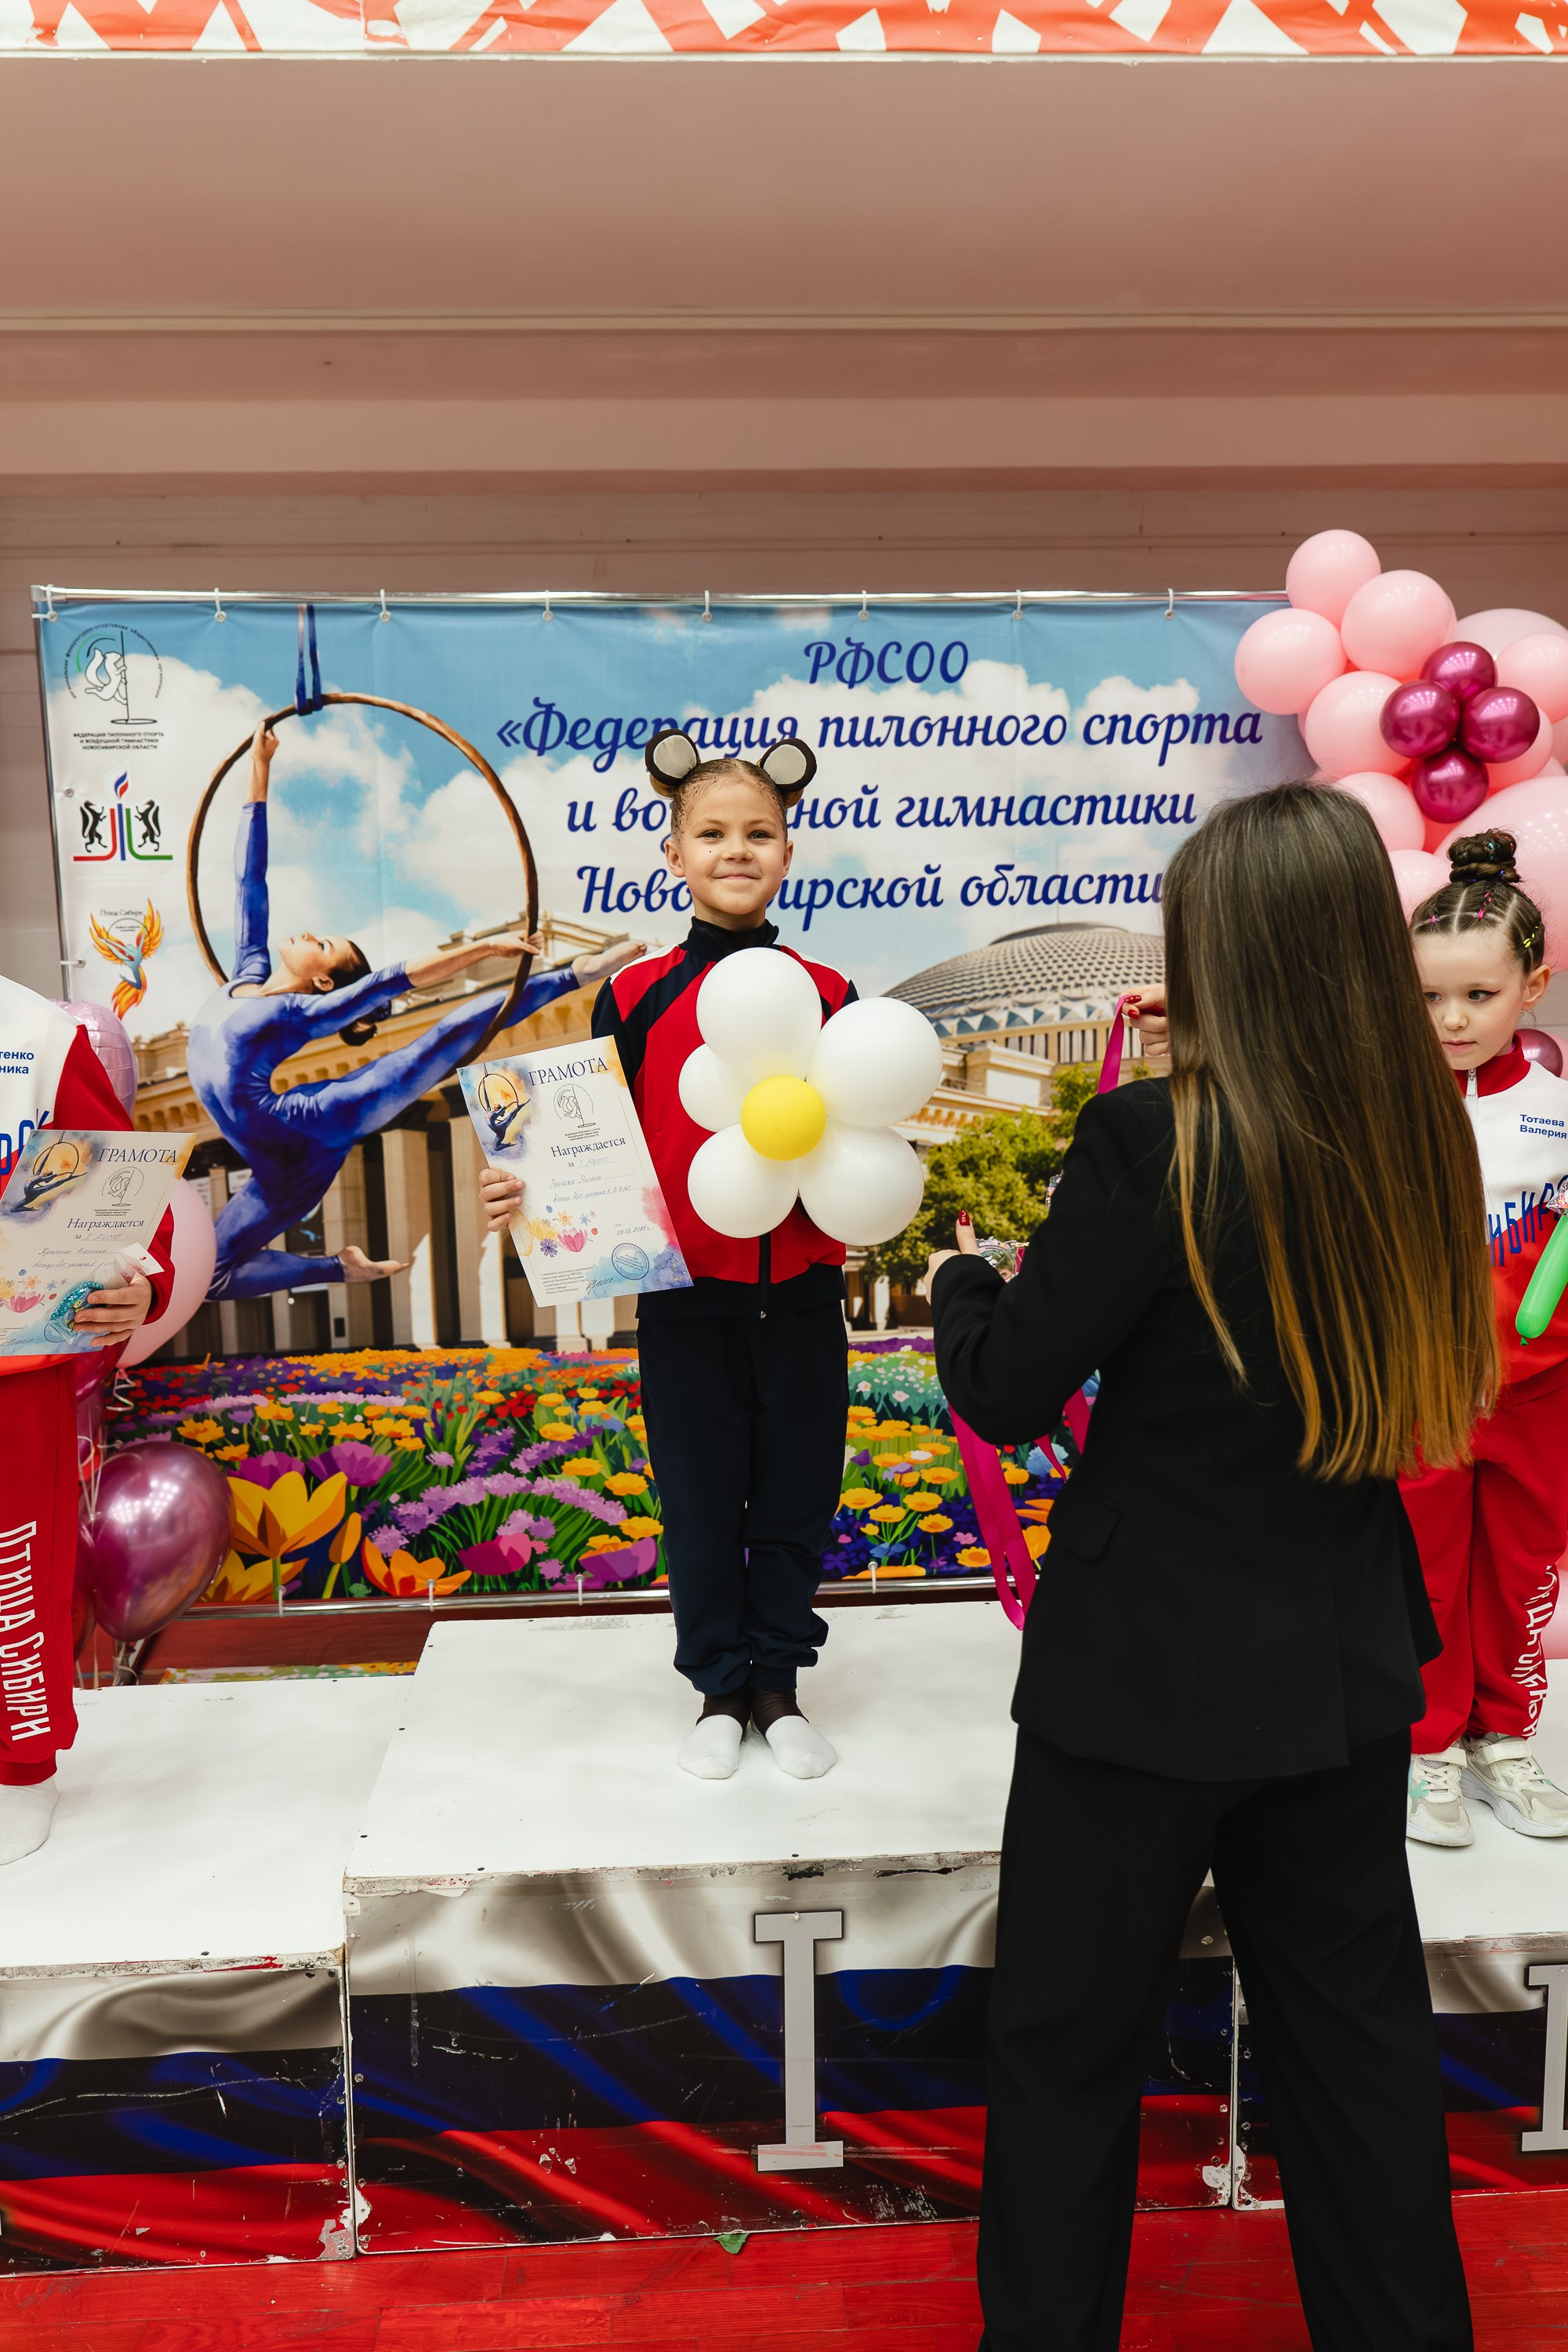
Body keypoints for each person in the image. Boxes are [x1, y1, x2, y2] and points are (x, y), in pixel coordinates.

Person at [929, 784, 1486, 2352]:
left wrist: (964, 1277)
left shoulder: (1146, 1139)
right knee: (1359, 2061)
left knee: (1064, 2054)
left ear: (1227, 955)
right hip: (1337, 1672)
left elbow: (1007, 1390)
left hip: (1138, 1694)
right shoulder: (1413, 1135)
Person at [481, 729, 855, 1784]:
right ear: (673, 854)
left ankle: (779, 1683)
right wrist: (523, 1188)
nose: (738, 850)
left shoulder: (831, 988)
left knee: (795, 1490)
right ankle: (716, 1688)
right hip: (683, 1293)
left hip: (804, 1285)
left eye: (761, 833)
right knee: (697, 1494)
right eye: (713, 833)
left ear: (788, 851)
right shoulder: (635, 994)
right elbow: (589, 1139)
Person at [187, 724, 642, 1302]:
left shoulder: (301, 1013)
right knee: (207, 1276)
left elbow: (390, 980)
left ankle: (578, 973)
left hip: (305, 1123)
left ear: (323, 980)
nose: (308, 933)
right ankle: (340, 1268)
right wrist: (260, 770)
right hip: (274, 1167)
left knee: (432, 1048)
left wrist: (484, 948)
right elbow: (248, 879)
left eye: (323, 944)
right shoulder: (247, 970)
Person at [1400, 830, 1568, 1846]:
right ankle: (1426, 1749)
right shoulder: (1388, 1110)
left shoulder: (1560, 1112)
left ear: (1534, 987)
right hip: (1419, 1387)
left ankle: (1504, 1735)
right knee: (1419, 1569)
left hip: (1540, 1398)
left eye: (1479, 995)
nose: (1453, 1021)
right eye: (1428, 999)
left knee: (1522, 1567)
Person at [0, 975, 170, 1867]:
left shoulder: (33, 1033)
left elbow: (121, 1190)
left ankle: (16, 1767)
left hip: (11, 1365)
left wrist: (144, 1283)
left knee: (10, 1576)